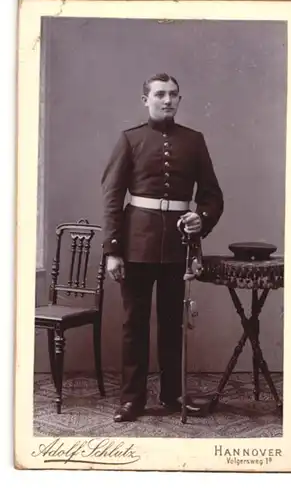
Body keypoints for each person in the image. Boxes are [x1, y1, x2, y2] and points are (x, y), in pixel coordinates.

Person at [101, 72, 224, 422]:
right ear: (146, 100)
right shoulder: (130, 140)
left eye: (173, 95)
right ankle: (132, 400)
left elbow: (212, 195)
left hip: (178, 247)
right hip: (136, 243)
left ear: (179, 100)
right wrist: (112, 250)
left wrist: (201, 217)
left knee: (172, 324)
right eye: (159, 94)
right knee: (133, 324)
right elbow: (112, 196)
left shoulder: (194, 141)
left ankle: (173, 395)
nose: (167, 100)